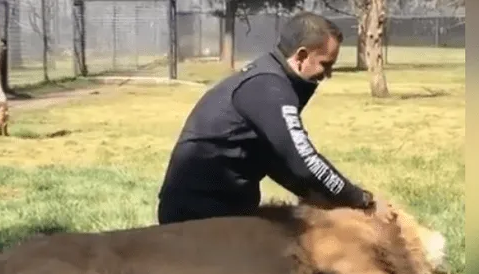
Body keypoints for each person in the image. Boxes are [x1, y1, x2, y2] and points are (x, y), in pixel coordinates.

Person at [156, 11, 376, 225]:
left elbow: (280, 163)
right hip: (199, 211)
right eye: (325, 65)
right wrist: (357, 198)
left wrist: (328, 197)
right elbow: (302, 160)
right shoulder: (269, 87)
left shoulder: (272, 79)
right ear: (301, 56)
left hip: (215, 205)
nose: (328, 74)